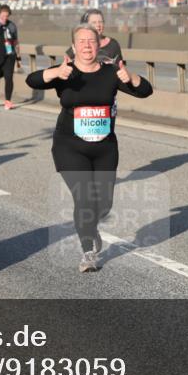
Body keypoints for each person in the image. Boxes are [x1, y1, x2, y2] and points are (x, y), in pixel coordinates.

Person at [26, 22, 153, 272]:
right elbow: (33, 80)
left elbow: (145, 91)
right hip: (69, 146)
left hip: (104, 147)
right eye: (81, 41)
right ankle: (88, 252)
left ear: (99, 44)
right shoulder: (65, 72)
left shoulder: (110, 73)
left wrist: (132, 77)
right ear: (74, 46)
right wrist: (53, 73)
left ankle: (91, 228)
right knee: (84, 198)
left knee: (103, 205)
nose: (86, 45)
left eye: (91, 41)